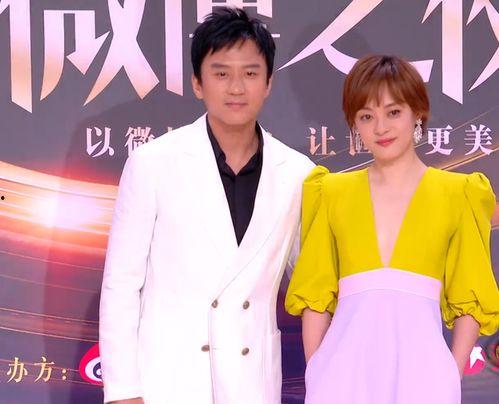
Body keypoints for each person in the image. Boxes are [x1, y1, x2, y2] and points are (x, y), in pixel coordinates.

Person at [99, 7, 314, 404]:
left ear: (268, 83)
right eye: (221, 74)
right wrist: (124, 391)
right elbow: (121, 285)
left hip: (251, 381)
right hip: (169, 381)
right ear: (197, 83)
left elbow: (312, 281)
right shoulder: (153, 162)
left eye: (250, 73)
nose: (237, 88)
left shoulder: (298, 173)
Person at [285, 54, 499, 404]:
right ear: (354, 124)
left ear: (418, 113)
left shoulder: (459, 193)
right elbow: (315, 297)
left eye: (393, 112)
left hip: (425, 377)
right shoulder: (331, 192)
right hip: (341, 377)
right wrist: (318, 370)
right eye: (366, 116)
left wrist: (450, 373)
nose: (381, 128)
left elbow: (470, 297)